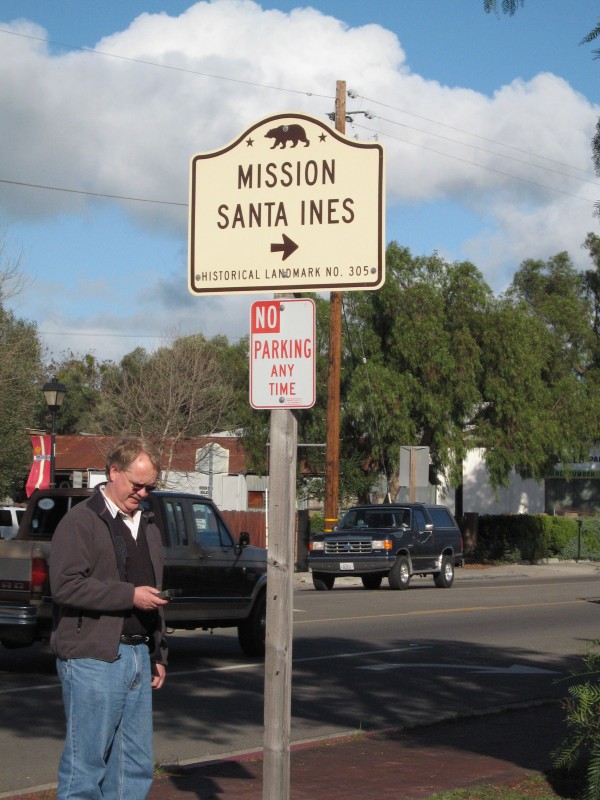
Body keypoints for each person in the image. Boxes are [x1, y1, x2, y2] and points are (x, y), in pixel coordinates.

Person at [49, 436, 169, 800]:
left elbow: (156, 591)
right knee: (85, 768)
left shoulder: (147, 524)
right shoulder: (80, 522)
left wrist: (158, 653)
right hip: (92, 658)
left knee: (133, 767)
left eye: (150, 486)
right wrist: (128, 595)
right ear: (113, 472)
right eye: (137, 485)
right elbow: (66, 587)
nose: (144, 493)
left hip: (137, 656)